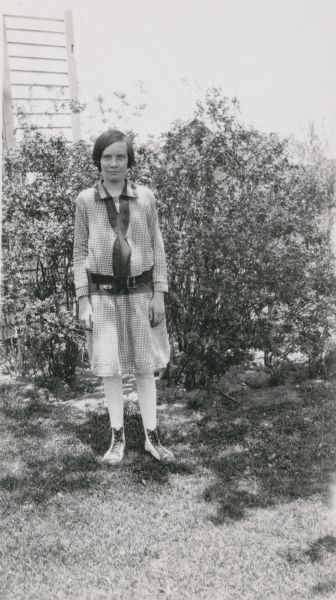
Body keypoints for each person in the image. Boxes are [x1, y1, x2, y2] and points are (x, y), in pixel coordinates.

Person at [73, 128, 174, 465]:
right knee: (111, 370)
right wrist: (83, 299)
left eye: (120, 157)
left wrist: (159, 294)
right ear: (97, 161)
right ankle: (117, 438)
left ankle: (151, 436)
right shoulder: (86, 201)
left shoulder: (145, 198)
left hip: (140, 293)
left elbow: (157, 247)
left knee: (145, 368)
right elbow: (77, 254)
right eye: (107, 157)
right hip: (103, 298)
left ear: (129, 161)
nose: (113, 163)